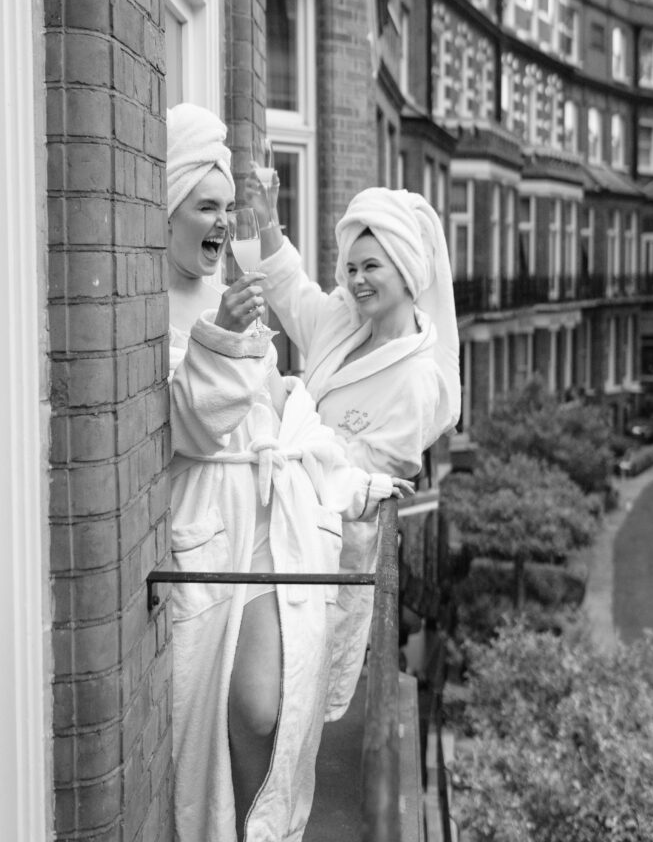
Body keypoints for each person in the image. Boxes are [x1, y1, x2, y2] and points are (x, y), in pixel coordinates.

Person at [165, 103, 412, 842]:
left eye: (226, 208)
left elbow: (282, 407)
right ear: (167, 210)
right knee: (233, 714)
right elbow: (187, 423)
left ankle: (256, 831)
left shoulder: (226, 289)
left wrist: (351, 484)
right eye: (206, 207)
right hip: (211, 522)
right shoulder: (143, 300)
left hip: (273, 514)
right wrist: (227, 339)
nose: (221, 221)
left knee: (272, 707)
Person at [254, 182, 461, 721]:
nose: (357, 280)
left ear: (407, 269)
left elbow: (369, 478)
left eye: (371, 267)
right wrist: (270, 219)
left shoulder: (417, 379)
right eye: (350, 268)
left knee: (293, 695)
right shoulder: (347, 321)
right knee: (260, 683)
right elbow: (296, 298)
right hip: (280, 517)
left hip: (335, 552)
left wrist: (291, 410)